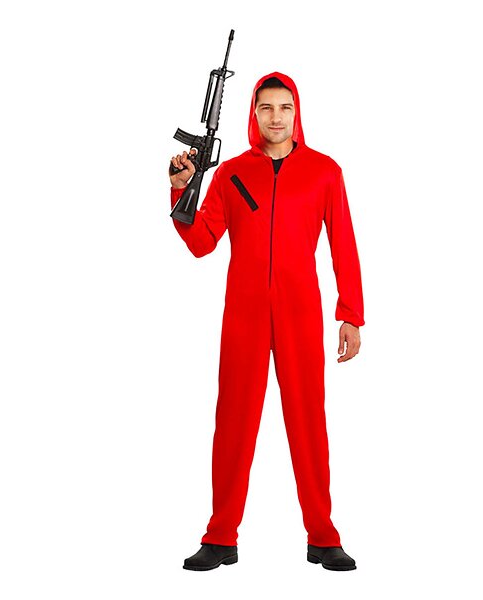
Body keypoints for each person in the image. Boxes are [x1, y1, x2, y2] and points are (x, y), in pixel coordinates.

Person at [169, 72, 364, 571]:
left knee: (308, 422)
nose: (276, 117)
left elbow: (343, 243)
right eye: (266, 108)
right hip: (245, 312)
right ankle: (220, 537)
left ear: (297, 113)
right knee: (233, 422)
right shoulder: (231, 174)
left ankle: (323, 536)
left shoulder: (325, 172)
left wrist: (351, 313)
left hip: (300, 312)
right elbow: (201, 243)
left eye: (284, 107)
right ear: (253, 115)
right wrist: (180, 192)